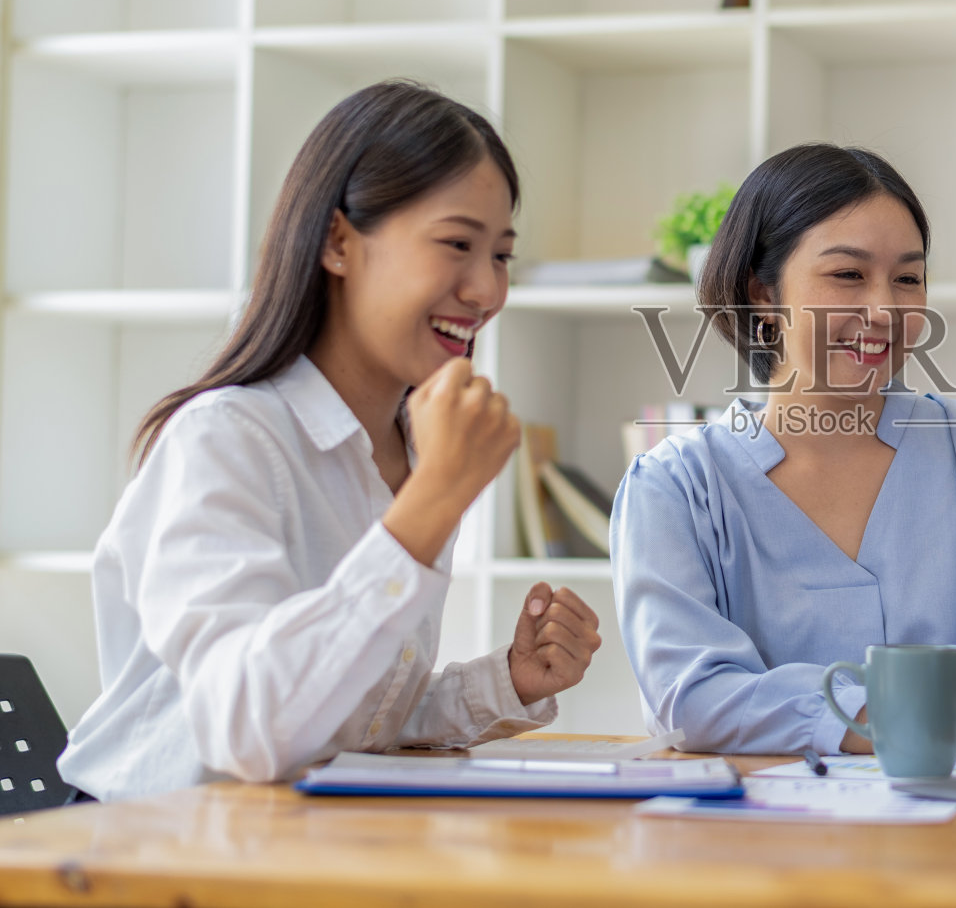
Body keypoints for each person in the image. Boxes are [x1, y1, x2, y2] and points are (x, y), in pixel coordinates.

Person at [58, 81, 601, 801]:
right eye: (456, 244)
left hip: (279, 838)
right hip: (145, 843)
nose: (486, 290)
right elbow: (250, 730)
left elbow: (342, 720)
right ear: (339, 242)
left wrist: (507, 680)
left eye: (500, 255)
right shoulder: (226, 438)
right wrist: (430, 506)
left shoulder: (411, 451)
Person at [613, 143, 956, 757]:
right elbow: (694, 699)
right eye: (848, 275)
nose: (884, 310)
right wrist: (953, 721)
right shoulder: (675, 486)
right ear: (764, 295)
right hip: (767, 819)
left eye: (908, 279)